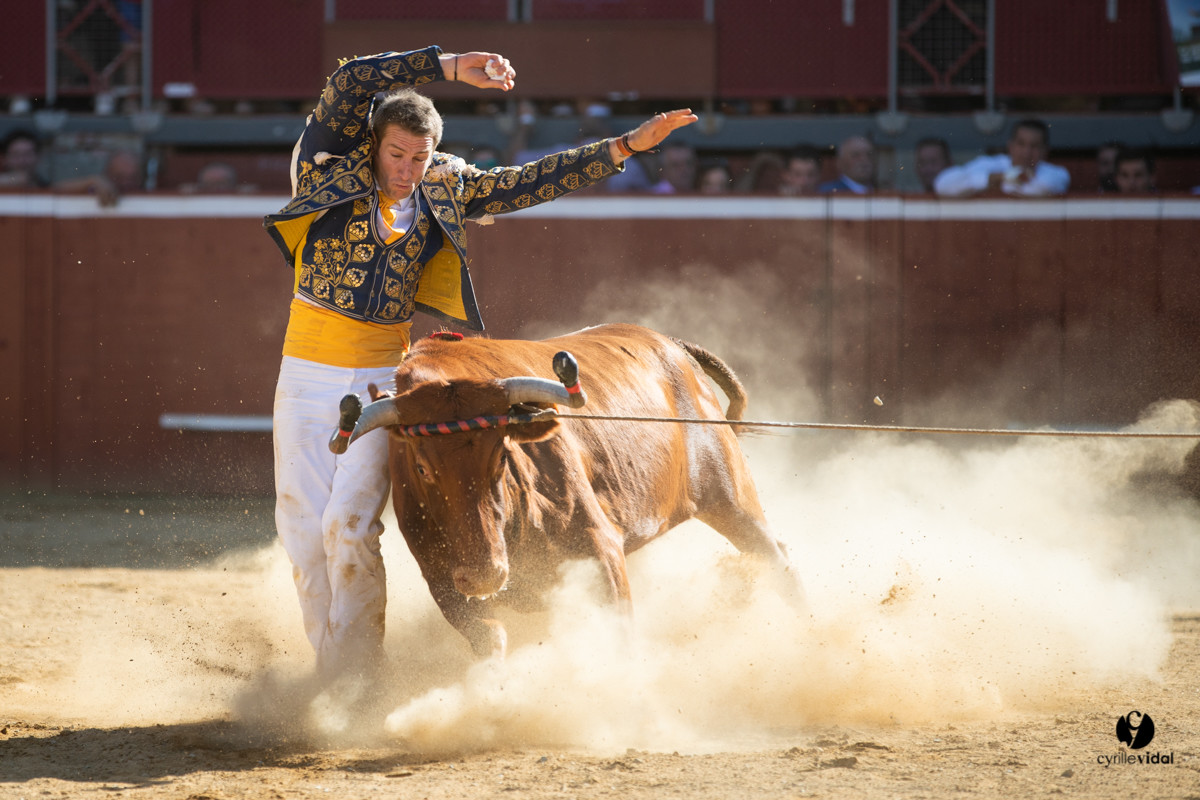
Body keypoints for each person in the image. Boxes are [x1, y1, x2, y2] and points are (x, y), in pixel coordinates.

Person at [262, 46, 696, 686]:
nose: (408, 169)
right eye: (396, 154)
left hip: (384, 381)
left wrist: (625, 146)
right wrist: (449, 64)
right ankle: (331, 668)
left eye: (420, 157)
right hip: (304, 374)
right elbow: (352, 78)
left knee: (348, 527)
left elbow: (530, 181)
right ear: (374, 144)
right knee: (303, 535)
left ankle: (354, 679)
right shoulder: (324, 168)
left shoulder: (444, 185)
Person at [934, 119, 1070, 198]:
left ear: (1045, 150)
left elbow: (1043, 188)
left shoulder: (1056, 173)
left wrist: (997, 181)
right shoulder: (990, 164)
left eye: (1034, 146)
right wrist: (999, 177)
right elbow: (943, 184)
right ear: (1010, 146)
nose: (1027, 152)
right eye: (1021, 144)